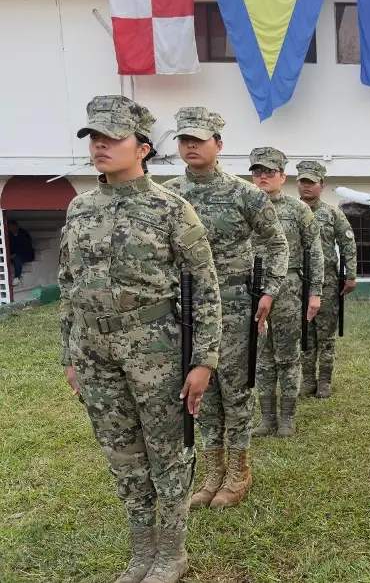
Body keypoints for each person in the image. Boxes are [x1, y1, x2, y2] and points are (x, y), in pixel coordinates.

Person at [58, 95, 221, 583]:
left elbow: (205, 286)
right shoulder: (79, 207)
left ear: (143, 148)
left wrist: (204, 361)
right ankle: (141, 550)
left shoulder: (172, 209)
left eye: (112, 138)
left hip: (157, 349)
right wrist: (69, 352)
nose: (100, 146)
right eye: (94, 138)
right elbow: (68, 284)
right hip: (94, 352)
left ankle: (171, 553)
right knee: (122, 453)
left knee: (167, 452)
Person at [164, 107, 289, 510]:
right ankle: (212, 471)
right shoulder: (167, 195)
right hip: (188, 309)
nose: (190, 146)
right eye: (184, 139)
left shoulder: (245, 194)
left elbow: (276, 244)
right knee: (203, 391)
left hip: (236, 308)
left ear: (219, 144)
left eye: (198, 140)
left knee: (235, 390)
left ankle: (239, 472)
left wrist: (268, 290)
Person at [248, 147, 324, 438]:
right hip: (253, 288)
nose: (263, 177)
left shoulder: (297, 209)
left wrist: (314, 291)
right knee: (261, 356)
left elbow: (313, 252)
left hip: (290, 288)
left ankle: (288, 419)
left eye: (269, 172)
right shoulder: (245, 205)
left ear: (282, 175)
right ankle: (267, 418)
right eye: (257, 171)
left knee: (288, 354)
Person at [296, 160, 358, 398]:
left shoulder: (332, 214)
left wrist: (350, 275)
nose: (306, 186)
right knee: (304, 334)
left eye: (311, 182)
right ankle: (308, 380)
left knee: (325, 334)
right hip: (297, 283)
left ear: (321, 185)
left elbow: (348, 243)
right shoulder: (291, 211)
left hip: (327, 283)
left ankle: (324, 381)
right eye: (302, 181)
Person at [6, 220, 34, 287]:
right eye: (9, 227)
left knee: (17, 259)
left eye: (12, 227)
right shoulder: (9, 235)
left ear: (16, 226)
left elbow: (26, 247)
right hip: (13, 255)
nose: (11, 229)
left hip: (26, 254)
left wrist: (15, 254)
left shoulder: (24, 234)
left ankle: (17, 278)